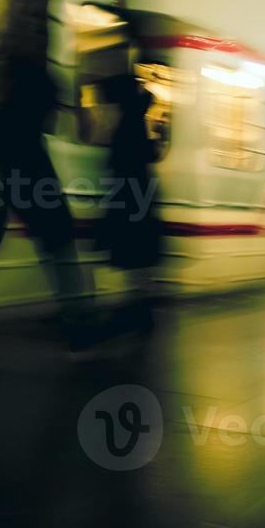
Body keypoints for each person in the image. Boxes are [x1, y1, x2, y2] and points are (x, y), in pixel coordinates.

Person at [0, 0, 93, 350]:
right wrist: (68, 103)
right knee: (56, 226)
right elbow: (19, 46)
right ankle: (79, 324)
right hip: (13, 123)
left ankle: (74, 320)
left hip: (0, 120)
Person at [96, 72, 160, 335]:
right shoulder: (137, 118)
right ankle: (140, 307)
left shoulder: (126, 121)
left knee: (131, 252)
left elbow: (120, 159)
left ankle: (137, 307)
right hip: (140, 193)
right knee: (139, 254)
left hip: (130, 196)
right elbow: (149, 154)